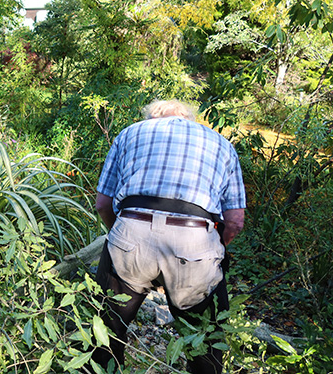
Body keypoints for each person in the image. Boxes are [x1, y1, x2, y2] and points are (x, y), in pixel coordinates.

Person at [92, 100, 246, 373]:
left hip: (132, 234)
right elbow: (234, 220)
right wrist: (214, 248)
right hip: (194, 241)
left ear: (151, 118)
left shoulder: (130, 133)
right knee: (205, 340)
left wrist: (124, 235)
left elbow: (103, 204)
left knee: (107, 331)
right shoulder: (221, 143)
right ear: (189, 119)